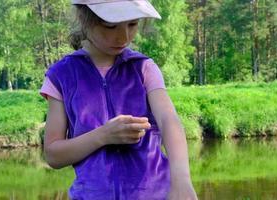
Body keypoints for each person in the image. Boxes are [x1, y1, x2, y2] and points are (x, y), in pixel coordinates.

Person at [40, 0, 197, 199]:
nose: (123, 37)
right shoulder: (60, 76)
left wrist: (182, 180)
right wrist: (103, 135)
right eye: (110, 26)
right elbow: (53, 155)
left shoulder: (144, 69)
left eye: (132, 24)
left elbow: (169, 120)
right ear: (83, 18)